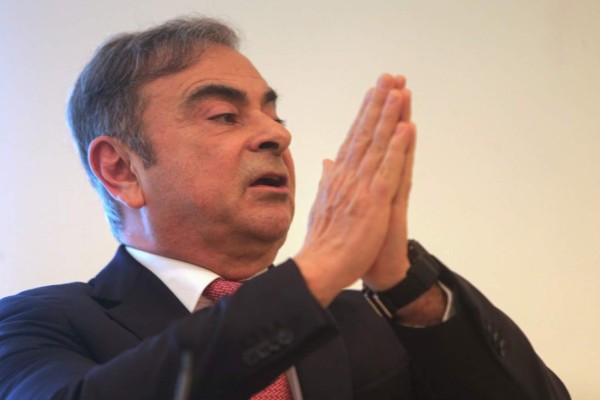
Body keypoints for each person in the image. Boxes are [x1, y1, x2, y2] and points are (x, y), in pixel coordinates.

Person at [0, 16, 569, 400]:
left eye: (276, 116)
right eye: (225, 116)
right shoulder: (38, 324)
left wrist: (403, 282)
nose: (277, 135)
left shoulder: (371, 320)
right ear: (121, 169)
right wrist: (318, 269)